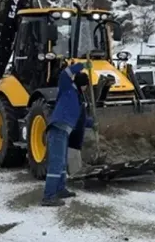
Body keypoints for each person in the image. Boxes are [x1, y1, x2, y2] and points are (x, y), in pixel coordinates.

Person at [41, 62, 93, 206]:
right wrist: (82, 65)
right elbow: (66, 73)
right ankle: (48, 196)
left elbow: (78, 119)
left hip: (65, 131)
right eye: (86, 85)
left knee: (63, 163)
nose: (87, 88)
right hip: (58, 129)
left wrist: (92, 123)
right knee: (57, 163)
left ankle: (60, 189)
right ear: (82, 84)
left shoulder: (78, 98)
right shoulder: (67, 88)